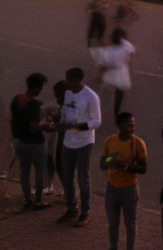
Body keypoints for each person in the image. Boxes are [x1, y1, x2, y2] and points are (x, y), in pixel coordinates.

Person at [58, 66, 103, 226]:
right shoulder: (68, 93)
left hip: (84, 142)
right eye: (67, 79)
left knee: (83, 179)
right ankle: (72, 208)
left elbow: (96, 121)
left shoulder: (91, 97)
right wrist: (62, 122)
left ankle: (85, 211)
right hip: (68, 142)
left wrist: (75, 127)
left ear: (78, 81)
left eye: (69, 80)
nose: (67, 83)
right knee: (67, 177)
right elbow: (65, 110)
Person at [100, 111, 147, 250]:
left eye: (133, 126)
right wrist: (111, 160)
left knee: (130, 223)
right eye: (129, 126)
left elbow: (143, 169)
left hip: (130, 189)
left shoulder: (138, 144)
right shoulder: (109, 142)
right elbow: (102, 163)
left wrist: (125, 166)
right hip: (112, 189)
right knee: (113, 224)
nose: (132, 129)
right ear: (120, 125)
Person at [10, 71, 48, 210]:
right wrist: (46, 125)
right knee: (40, 171)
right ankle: (38, 201)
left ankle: (28, 200)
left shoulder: (16, 99)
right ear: (37, 87)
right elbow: (33, 127)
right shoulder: (33, 104)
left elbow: (14, 120)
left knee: (24, 172)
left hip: (19, 142)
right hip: (34, 143)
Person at [92, 27, 135, 117]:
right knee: (119, 90)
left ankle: (96, 106)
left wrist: (99, 74)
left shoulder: (109, 51)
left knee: (105, 89)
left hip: (111, 72)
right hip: (121, 71)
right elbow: (131, 52)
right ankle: (116, 109)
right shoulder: (126, 46)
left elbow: (105, 64)